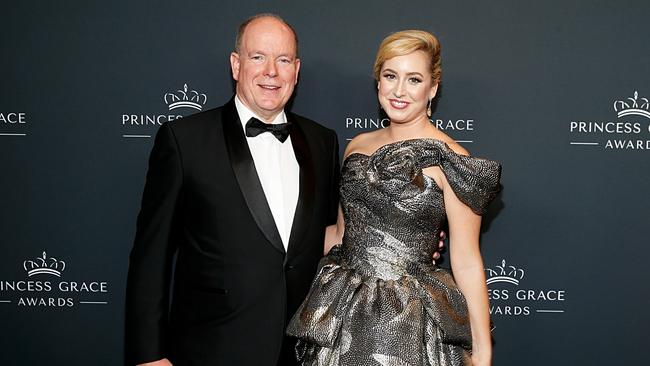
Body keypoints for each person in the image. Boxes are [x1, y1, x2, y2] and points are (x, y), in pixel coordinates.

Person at [124, 14, 341, 366]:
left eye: (283, 60)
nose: (271, 71)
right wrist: (149, 355)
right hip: (211, 348)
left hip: (302, 353)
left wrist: (404, 236)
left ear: (296, 70)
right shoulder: (185, 141)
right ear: (236, 65)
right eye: (258, 57)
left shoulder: (322, 142)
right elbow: (151, 257)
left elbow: (331, 236)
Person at [287, 30, 501, 366]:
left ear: (432, 89)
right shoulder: (356, 146)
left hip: (409, 323)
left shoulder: (453, 161)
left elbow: (467, 261)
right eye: (390, 76)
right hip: (343, 314)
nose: (399, 91)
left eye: (413, 79)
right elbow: (342, 235)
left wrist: (483, 355)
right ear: (378, 82)